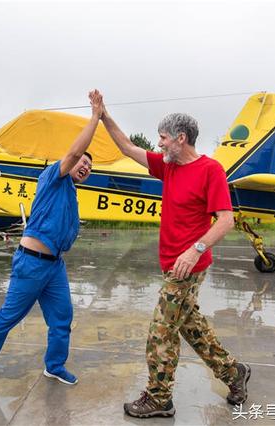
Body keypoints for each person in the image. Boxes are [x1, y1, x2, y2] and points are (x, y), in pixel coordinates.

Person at [100, 99, 251, 418]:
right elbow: (127, 148)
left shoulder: (210, 170)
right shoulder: (167, 165)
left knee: (161, 331)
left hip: (189, 266)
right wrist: (104, 116)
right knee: (191, 327)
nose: (159, 143)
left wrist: (195, 248)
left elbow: (226, 220)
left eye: (163, 137)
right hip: (171, 265)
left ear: (181, 138)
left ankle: (159, 397)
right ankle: (232, 371)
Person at [0, 90, 103, 386]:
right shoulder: (54, 177)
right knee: (10, 316)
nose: (86, 167)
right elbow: (73, 154)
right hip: (31, 264)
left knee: (62, 319)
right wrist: (95, 117)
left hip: (54, 266)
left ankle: (54, 365)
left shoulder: (72, 194)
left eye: (90, 167)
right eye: (84, 163)